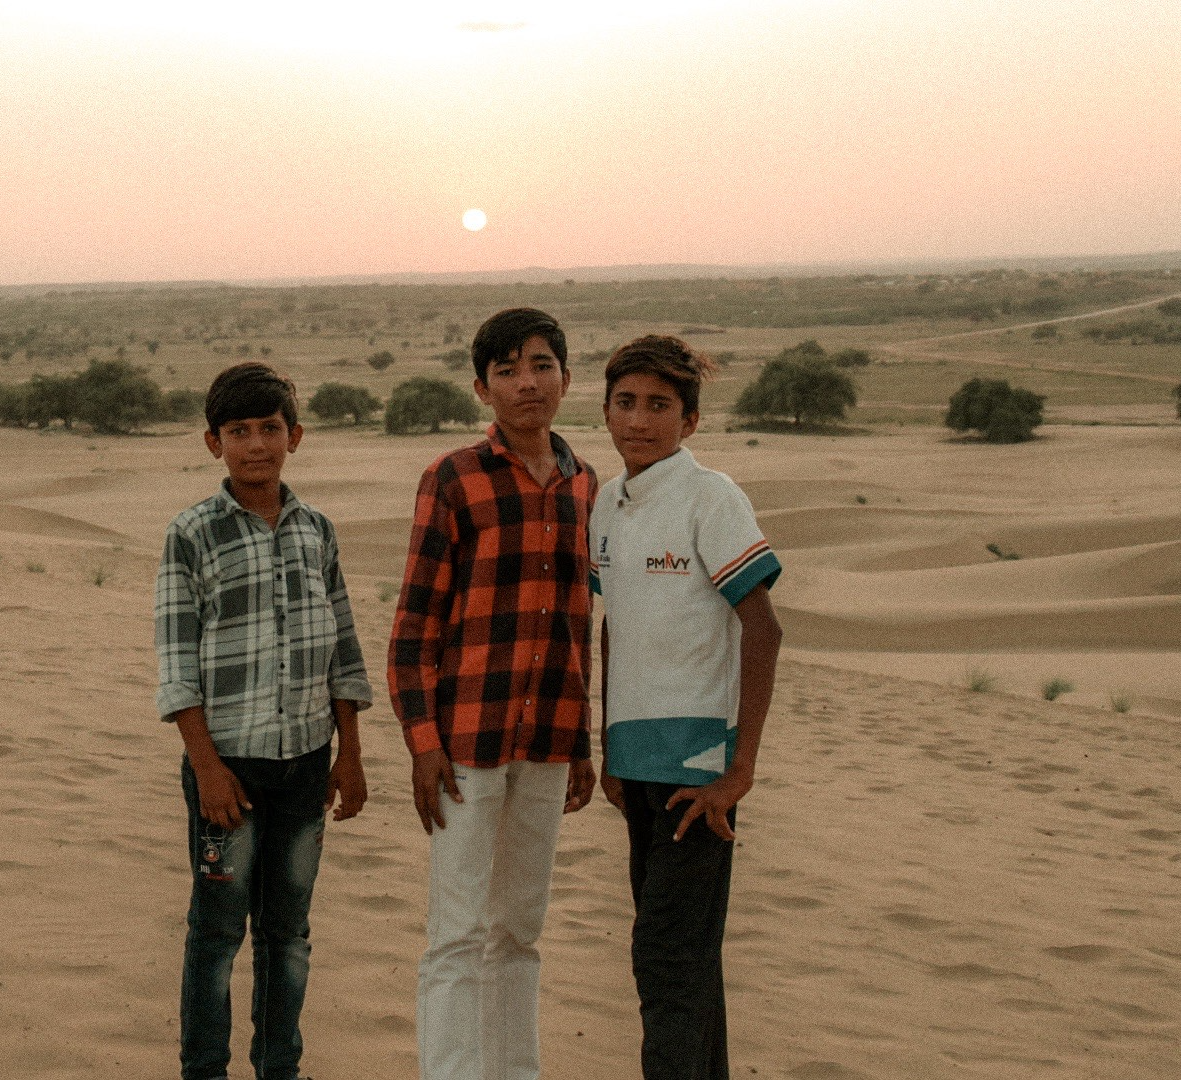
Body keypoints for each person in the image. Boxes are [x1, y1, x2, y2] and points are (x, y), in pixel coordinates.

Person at [388, 307, 598, 1080]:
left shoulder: (584, 482)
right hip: (465, 745)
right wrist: (421, 745)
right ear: (482, 389)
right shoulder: (453, 479)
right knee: (456, 930)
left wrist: (582, 743)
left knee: (521, 929)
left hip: (547, 736)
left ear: (566, 379)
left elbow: (578, 623)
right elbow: (413, 627)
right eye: (507, 371)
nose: (527, 383)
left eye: (541, 365)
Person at [155, 362, 372, 1080]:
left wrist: (352, 754)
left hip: (307, 764)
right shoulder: (192, 534)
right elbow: (177, 662)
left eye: (270, 429)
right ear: (213, 442)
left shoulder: (317, 532)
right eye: (239, 431)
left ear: (295, 436)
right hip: (229, 773)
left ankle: (280, 1068)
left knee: (289, 935)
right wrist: (208, 768)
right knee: (217, 933)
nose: (257, 444)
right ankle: (204, 1071)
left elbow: (343, 648)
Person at [590, 336, 783, 1080]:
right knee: (688, 966)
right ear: (606, 410)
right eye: (626, 403)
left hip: (699, 777)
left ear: (691, 421)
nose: (640, 420)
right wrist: (610, 753)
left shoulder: (712, 497)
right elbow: (618, 625)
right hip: (635, 766)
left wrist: (740, 770)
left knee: (663, 961)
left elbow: (762, 626)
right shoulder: (608, 501)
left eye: (660, 406)